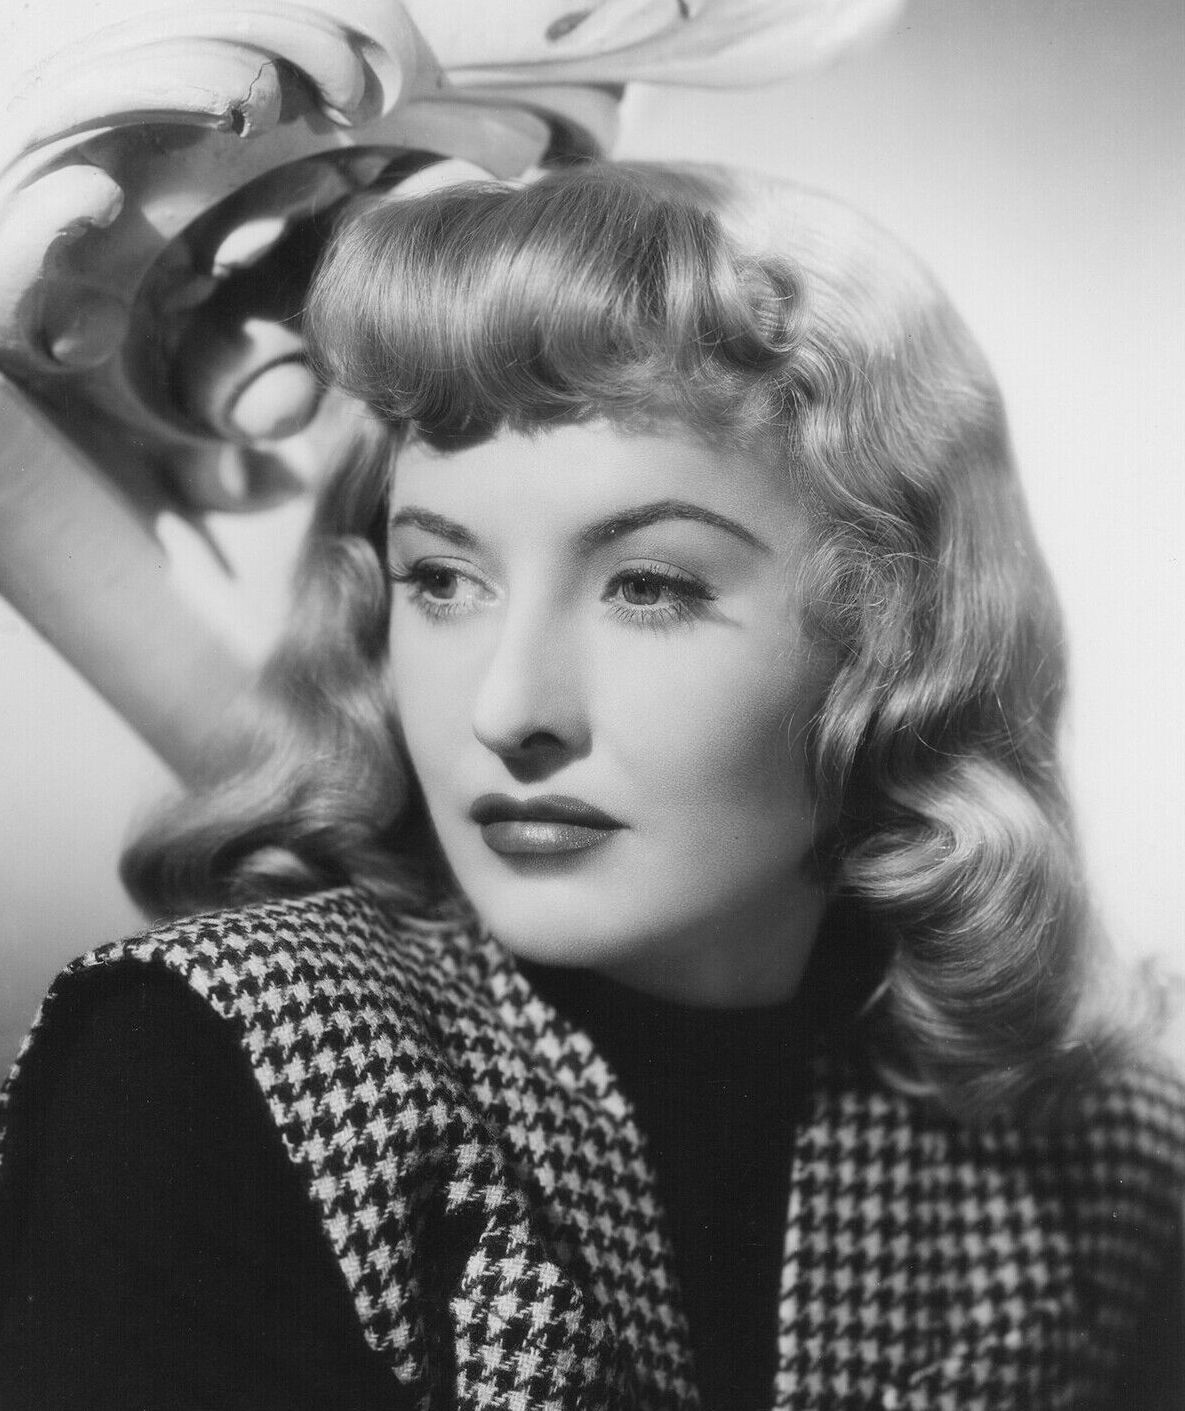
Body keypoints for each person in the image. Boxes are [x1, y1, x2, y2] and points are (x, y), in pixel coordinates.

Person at [0, 162, 1180, 1411]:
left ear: (895, 637)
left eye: (649, 587)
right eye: (442, 579)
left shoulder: (1107, 1168)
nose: (508, 708)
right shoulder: (208, 1064)